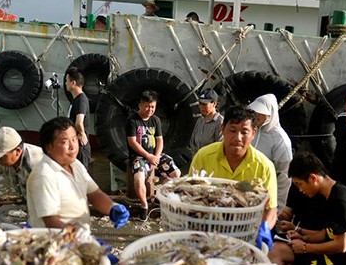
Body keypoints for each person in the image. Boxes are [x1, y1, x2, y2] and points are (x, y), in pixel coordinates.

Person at [189, 105, 278, 248]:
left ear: (253, 133)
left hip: (245, 233)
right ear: (222, 129)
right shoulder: (203, 156)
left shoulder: (264, 166)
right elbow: (189, 194)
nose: (237, 138)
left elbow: (270, 209)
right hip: (206, 229)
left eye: (244, 132)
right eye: (232, 130)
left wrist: (264, 229)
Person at [26, 117, 129, 229]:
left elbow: (95, 195)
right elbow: (51, 222)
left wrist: (112, 207)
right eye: (65, 142)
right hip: (56, 243)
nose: (73, 147)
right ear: (49, 147)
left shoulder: (76, 165)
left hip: (76, 239)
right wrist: (83, 239)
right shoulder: (44, 175)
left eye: (74, 139)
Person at [126, 89, 180, 219]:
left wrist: (155, 156)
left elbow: (160, 140)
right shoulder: (132, 120)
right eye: (147, 106)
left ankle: (159, 197)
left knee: (176, 174)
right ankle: (144, 205)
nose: (150, 109)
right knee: (139, 179)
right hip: (139, 156)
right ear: (140, 105)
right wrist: (148, 156)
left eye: (153, 107)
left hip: (155, 155)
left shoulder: (156, 120)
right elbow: (132, 142)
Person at [248, 94, 293, 211]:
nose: (256, 116)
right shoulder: (252, 131)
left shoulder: (280, 139)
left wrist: (278, 207)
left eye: (260, 113)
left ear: (270, 114)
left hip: (266, 197)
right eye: (255, 112)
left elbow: (284, 175)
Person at [65, 67, 91, 169]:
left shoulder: (81, 99)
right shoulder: (75, 100)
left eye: (67, 81)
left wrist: (82, 133)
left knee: (82, 175)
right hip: (75, 145)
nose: (66, 83)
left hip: (81, 146)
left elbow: (79, 122)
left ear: (73, 83)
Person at [189, 88, 223, 154]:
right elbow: (192, 143)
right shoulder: (200, 120)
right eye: (200, 103)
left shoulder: (219, 122)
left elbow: (220, 147)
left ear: (214, 103)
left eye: (204, 104)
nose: (201, 107)